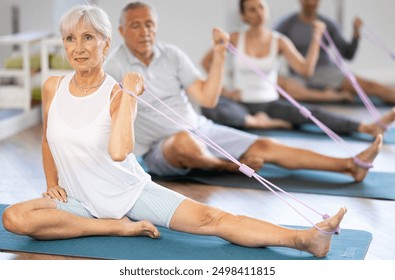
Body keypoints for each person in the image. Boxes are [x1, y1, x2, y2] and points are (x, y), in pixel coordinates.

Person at [1, 4, 350, 259]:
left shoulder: (118, 92)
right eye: (70, 39)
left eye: (88, 37)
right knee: (14, 217)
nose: (78, 47)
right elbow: (48, 139)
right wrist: (51, 184)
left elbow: (120, 151)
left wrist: (129, 96)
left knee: (212, 218)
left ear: (106, 45)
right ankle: (115, 226)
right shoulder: (52, 87)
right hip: (78, 201)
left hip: (128, 194)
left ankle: (304, 240)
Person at [104, 1, 382, 184]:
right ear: (122, 31)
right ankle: (228, 166)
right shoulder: (114, 66)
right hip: (159, 148)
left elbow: (207, 98)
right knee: (180, 143)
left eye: (149, 24)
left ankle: (349, 165)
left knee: (265, 145)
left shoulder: (172, 55)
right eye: (136, 25)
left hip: (202, 129)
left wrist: (219, 53)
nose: (145, 31)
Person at [201, 0, 395, 134]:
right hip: (240, 103)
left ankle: (366, 127)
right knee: (208, 106)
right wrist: (225, 91)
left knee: (311, 113)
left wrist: (316, 38)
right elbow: (206, 62)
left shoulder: (279, 41)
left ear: (267, 10)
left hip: (269, 104)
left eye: (261, 6)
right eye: (252, 9)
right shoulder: (234, 37)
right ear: (243, 16)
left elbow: (306, 71)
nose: (258, 12)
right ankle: (255, 121)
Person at [274, 0, 395, 104]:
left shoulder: (328, 24)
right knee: (280, 89)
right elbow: (270, 48)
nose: (311, 2)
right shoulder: (286, 25)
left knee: (372, 87)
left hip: (328, 73)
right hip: (299, 76)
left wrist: (356, 34)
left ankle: (328, 94)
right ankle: (330, 96)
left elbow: (348, 54)